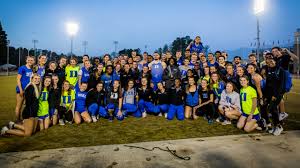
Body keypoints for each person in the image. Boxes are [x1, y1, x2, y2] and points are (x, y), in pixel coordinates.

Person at [263, 55, 286, 135]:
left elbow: (281, 85)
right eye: (268, 62)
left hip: (276, 94)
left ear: (275, 62)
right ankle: (274, 126)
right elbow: (268, 84)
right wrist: (265, 96)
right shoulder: (269, 70)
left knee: (273, 109)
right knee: (270, 110)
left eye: (272, 61)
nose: (270, 63)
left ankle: (279, 126)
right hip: (269, 94)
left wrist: (275, 95)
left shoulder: (280, 70)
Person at [15, 56, 34, 121]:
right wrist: (20, 89)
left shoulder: (31, 69)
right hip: (21, 90)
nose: (30, 61)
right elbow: (18, 79)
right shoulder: (22, 68)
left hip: (28, 90)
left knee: (26, 105)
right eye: (29, 60)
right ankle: (18, 120)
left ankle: (24, 118)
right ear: (26, 60)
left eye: (32, 60)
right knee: (19, 106)